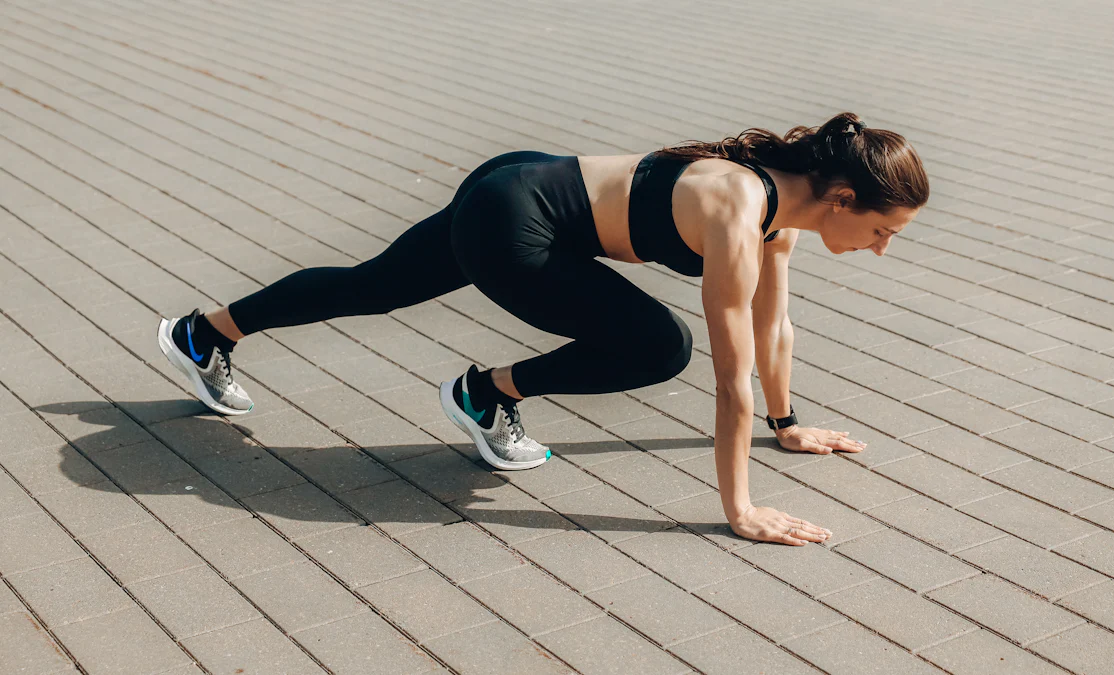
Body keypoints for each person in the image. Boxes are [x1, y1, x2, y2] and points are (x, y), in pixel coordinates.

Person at [156, 112, 929, 546]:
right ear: (841, 197)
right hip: (516, 224)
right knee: (663, 348)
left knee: (375, 286)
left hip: (519, 176)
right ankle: (486, 394)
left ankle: (207, 332)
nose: (882, 247)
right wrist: (741, 509)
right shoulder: (739, 212)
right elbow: (730, 377)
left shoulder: (781, 209)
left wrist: (789, 424)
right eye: (884, 229)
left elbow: (776, 326)